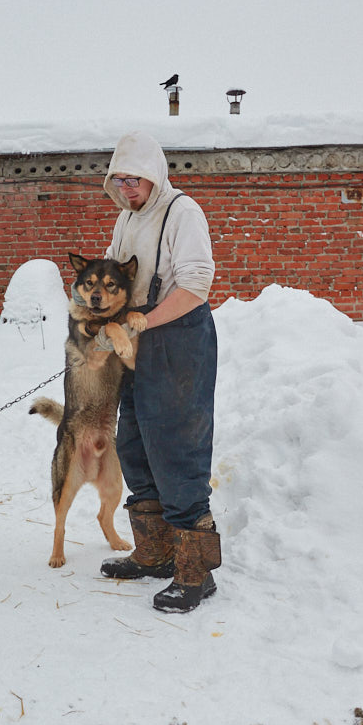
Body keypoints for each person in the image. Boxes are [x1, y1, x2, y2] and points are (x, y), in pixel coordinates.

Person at [98, 130, 221, 613]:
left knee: (176, 442)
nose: (128, 189)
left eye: (135, 179)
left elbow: (195, 284)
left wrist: (145, 321)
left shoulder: (182, 211)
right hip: (138, 337)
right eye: (120, 180)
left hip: (178, 336)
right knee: (134, 439)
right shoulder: (128, 217)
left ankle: (195, 571)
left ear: (155, 174)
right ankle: (154, 552)